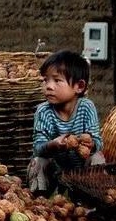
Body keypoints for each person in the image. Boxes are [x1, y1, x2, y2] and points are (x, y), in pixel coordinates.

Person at [28, 50, 105, 195]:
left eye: (57, 80)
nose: (49, 86)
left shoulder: (86, 107)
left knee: (97, 157)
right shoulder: (43, 111)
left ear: (79, 86)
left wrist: (91, 143)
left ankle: (95, 200)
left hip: (83, 172)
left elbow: (98, 142)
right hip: (56, 172)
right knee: (38, 161)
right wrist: (53, 145)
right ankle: (40, 201)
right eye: (46, 80)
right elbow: (37, 148)